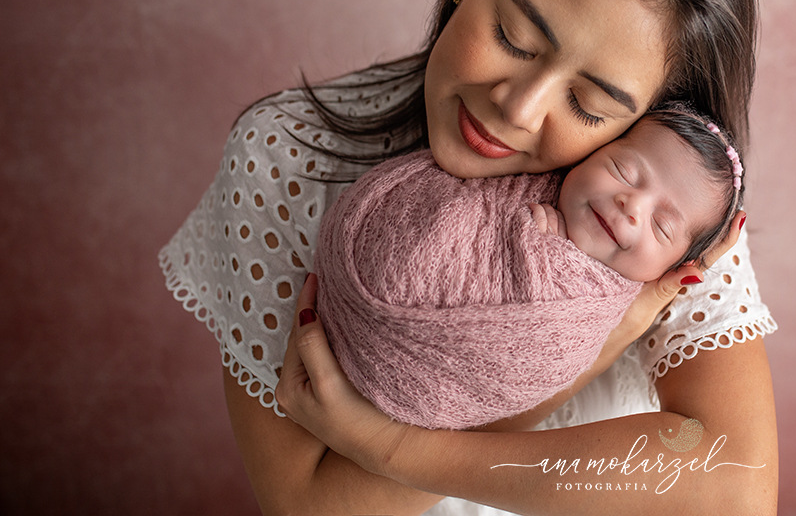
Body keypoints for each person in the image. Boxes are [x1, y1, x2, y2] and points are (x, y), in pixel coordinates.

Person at [160, 0, 778, 515]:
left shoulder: (654, 197)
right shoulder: (290, 155)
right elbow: (311, 506)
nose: (518, 107)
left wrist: (388, 447)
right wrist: (603, 340)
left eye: (591, 106)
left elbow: (735, 491)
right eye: (513, 35)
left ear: (657, 114)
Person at [314, 106, 746, 431]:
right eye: (623, 171)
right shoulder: (523, 168)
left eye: (662, 225)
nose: (631, 207)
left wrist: (544, 258)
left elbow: (531, 366)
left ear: (679, 266)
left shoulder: (602, 305)